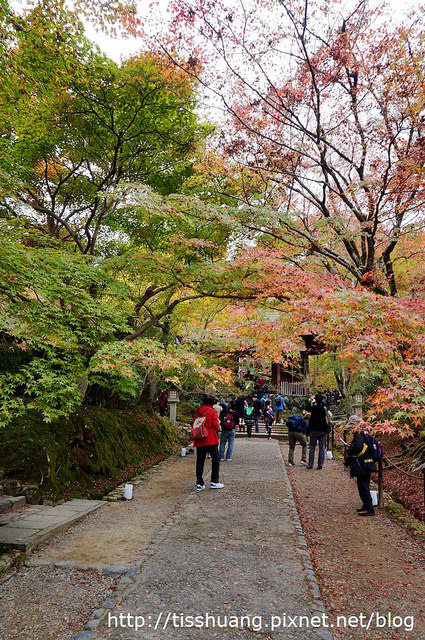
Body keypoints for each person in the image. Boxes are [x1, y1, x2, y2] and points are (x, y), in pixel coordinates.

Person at [344, 416, 376, 516]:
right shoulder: (364, 433)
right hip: (366, 463)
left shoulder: (359, 434)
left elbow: (358, 448)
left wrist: (349, 450)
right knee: (362, 485)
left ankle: (369, 508)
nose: (350, 429)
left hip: (363, 464)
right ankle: (366, 506)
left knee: (363, 486)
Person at [192, 395, 224, 491]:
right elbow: (216, 425)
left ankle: (199, 483)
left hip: (199, 439)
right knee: (215, 459)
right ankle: (214, 481)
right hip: (210, 439)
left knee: (200, 461)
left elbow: (194, 422)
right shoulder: (212, 411)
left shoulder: (199, 411)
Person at [306, 393, 328, 469]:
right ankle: (320, 464)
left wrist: (310, 400)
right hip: (322, 429)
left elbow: (307, 408)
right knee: (322, 447)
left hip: (314, 429)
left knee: (312, 447)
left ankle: (310, 464)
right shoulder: (324, 408)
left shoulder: (314, 408)